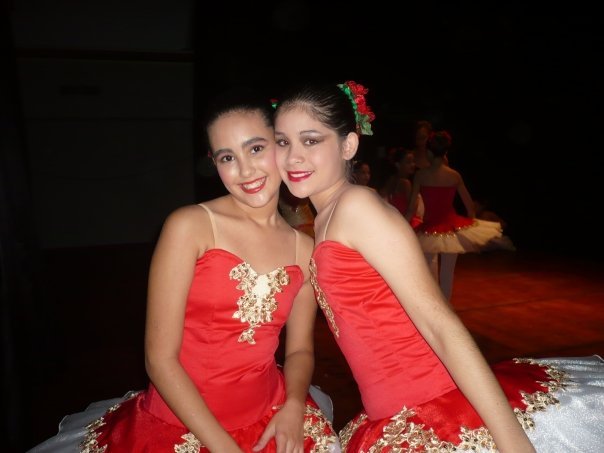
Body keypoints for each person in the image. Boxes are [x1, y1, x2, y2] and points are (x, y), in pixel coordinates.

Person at [273, 80, 604, 452]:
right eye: (282, 142)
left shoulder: (357, 208)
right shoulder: (326, 217)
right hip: (393, 414)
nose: (293, 157)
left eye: (310, 140)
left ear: (348, 145)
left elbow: (439, 323)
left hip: (432, 406)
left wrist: (513, 442)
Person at [29, 87, 339, 452]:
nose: (245, 170)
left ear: (281, 145)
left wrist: (294, 404)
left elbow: (299, 351)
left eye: (256, 148)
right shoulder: (190, 226)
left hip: (270, 414)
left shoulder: (304, 249)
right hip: (181, 427)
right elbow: (159, 359)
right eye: (227, 157)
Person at [404, 131, 502, 301]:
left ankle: (433, 306)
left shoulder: (421, 175)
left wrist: (403, 227)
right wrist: (471, 227)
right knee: (447, 273)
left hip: (429, 228)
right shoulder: (454, 175)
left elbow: (412, 207)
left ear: (429, 152)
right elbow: (469, 206)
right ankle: (446, 307)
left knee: (428, 271)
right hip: (451, 228)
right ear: (445, 153)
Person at [379, 147, 423, 229]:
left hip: (395, 221)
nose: (413, 165)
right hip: (406, 222)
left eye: (413, 161)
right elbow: (412, 209)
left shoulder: (392, 180)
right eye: (408, 162)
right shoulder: (405, 183)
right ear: (398, 165)